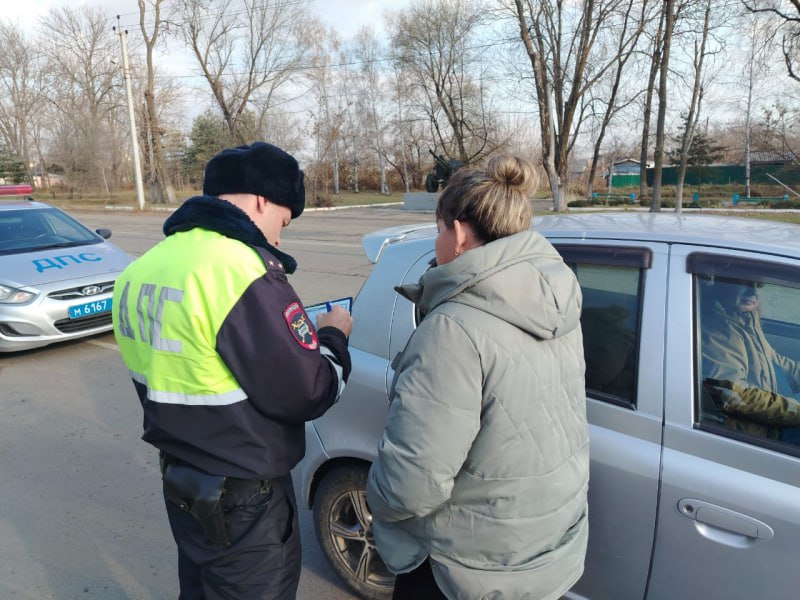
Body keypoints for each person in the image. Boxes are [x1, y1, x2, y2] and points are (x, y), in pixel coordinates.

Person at [112, 141, 353, 599]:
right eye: (283, 221)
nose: (280, 238)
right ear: (262, 199)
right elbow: (308, 390)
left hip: (182, 477)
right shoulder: (240, 269)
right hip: (244, 496)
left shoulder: (141, 269)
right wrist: (333, 336)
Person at [366, 156, 590, 599]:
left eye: (439, 228)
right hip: (544, 550)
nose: (437, 241)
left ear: (461, 233)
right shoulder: (558, 300)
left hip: (464, 568)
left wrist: (379, 502)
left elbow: (412, 482)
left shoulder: (453, 328)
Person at [701, 277, 800, 443]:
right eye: (743, 283)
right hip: (749, 433)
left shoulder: (743, 319)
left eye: (758, 285)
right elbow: (733, 394)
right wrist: (795, 411)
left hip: (765, 419)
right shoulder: (716, 330)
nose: (753, 292)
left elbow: (774, 361)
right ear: (720, 284)